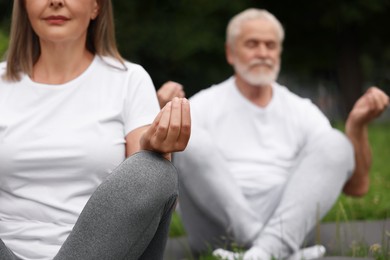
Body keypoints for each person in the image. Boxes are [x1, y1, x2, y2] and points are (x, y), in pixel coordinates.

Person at [173, 8, 389, 260]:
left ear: (279, 53)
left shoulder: (301, 110)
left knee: (336, 142)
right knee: (189, 139)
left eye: (271, 45)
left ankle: (261, 252)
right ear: (230, 53)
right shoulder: (202, 105)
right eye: (252, 44)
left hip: (288, 221)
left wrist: (355, 127)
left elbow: (358, 187)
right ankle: (271, 250)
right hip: (217, 228)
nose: (263, 53)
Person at [0, 0, 190, 259]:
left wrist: (152, 146)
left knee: (153, 169)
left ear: (96, 7)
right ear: (23, 6)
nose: (56, 2)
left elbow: (145, 186)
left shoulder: (129, 80)